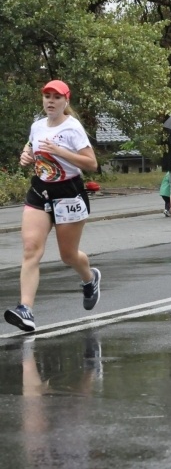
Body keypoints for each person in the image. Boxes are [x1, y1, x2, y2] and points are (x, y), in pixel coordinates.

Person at [4, 80, 101, 332]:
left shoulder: (73, 128)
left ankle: (90, 279)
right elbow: (30, 148)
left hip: (68, 193)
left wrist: (60, 151)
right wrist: (26, 155)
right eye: (47, 96)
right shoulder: (37, 126)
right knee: (30, 249)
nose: (50, 101)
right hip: (40, 191)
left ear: (65, 101)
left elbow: (91, 164)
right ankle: (25, 309)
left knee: (68, 256)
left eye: (56, 97)